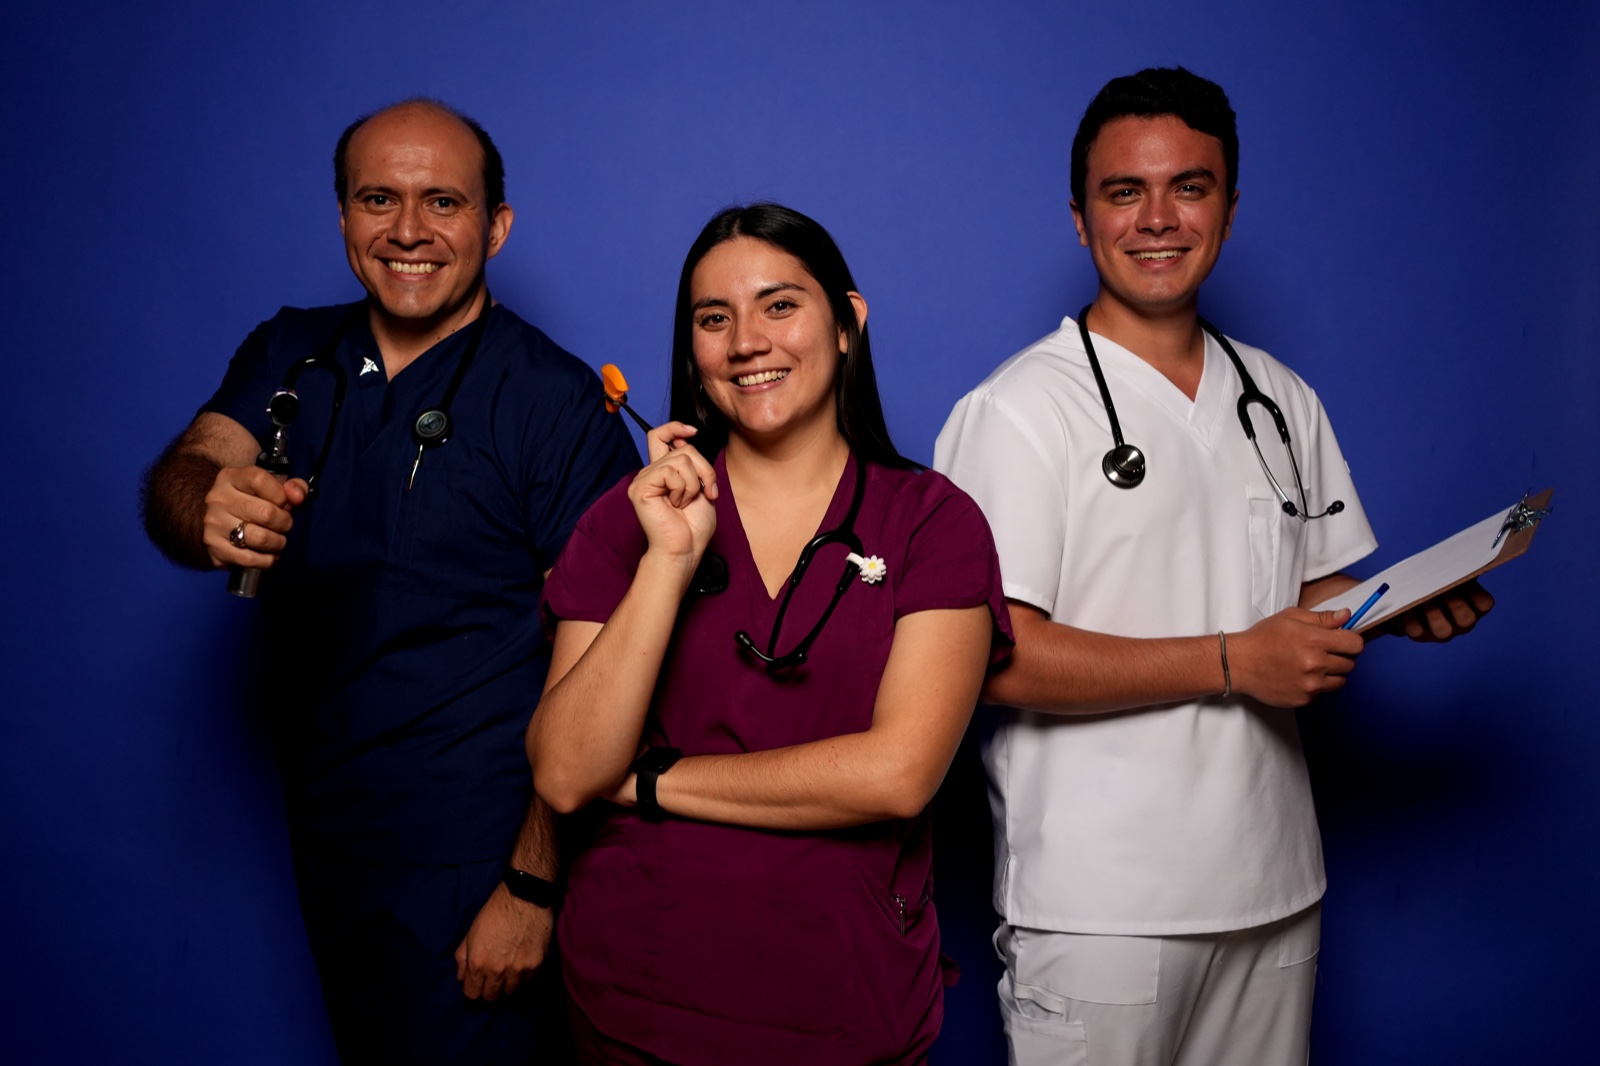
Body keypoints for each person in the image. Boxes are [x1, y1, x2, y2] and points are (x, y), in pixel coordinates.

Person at [933, 68, 1494, 1065]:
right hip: (1100, 909)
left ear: (1228, 211)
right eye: (1123, 192)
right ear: (1079, 219)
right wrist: (1235, 660)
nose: (1157, 218)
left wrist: (1393, 603)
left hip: (1275, 891)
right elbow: (993, 658)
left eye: (1188, 187)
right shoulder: (1018, 411)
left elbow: (1307, 591)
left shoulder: (1278, 399)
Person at [140, 99, 638, 1063]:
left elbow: (611, 665)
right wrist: (201, 501)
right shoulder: (292, 351)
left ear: (495, 226)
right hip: (332, 831)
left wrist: (532, 887)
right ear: (341, 217)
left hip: (479, 849)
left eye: (441, 202)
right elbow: (188, 473)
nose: (407, 231)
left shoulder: (555, 401)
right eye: (378, 199)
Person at [527, 202, 1013, 1064]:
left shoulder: (933, 524)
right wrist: (666, 565)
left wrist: (648, 785)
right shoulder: (628, 523)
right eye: (715, 319)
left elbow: (898, 775)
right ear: (694, 350)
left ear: (846, 324)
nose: (747, 340)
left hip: (848, 1002)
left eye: (780, 305)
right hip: (638, 1002)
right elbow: (567, 773)